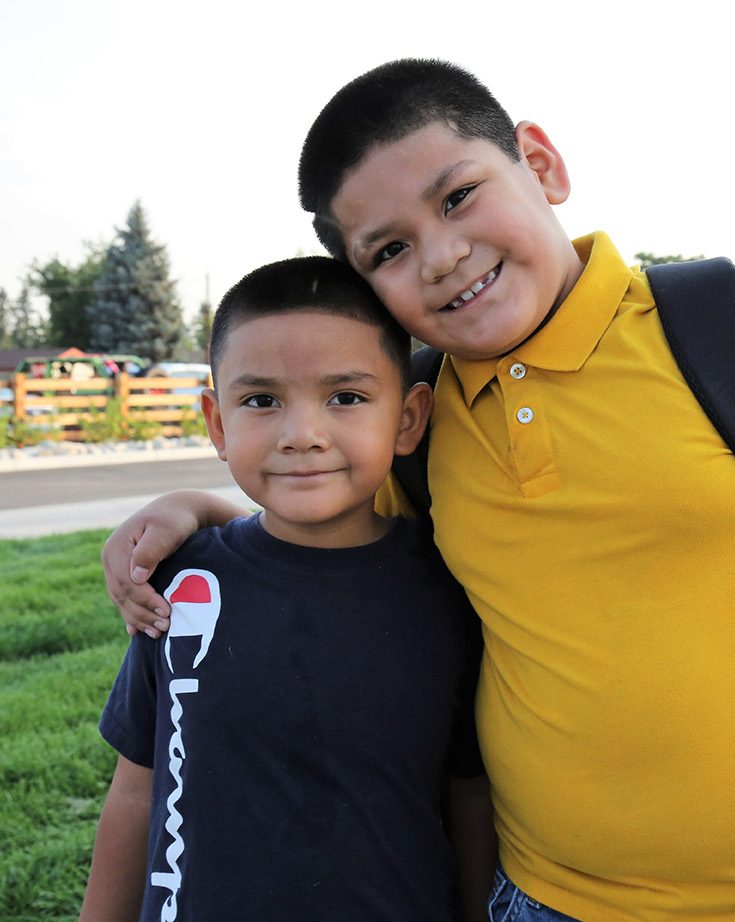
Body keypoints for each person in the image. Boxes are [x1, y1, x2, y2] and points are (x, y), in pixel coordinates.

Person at [103, 60, 735, 922]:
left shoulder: (731, 322)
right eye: (391, 250)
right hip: (544, 899)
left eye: (458, 197)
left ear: (543, 165)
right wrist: (198, 512)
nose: (442, 257)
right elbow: (323, 520)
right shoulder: (420, 422)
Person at [78, 256, 494, 922]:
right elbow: (137, 789)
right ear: (218, 424)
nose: (302, 435)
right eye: (262, 400)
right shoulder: (183, 584)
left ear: (409, 419)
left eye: (347, 398)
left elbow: (469, 799)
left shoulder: (455, 592)